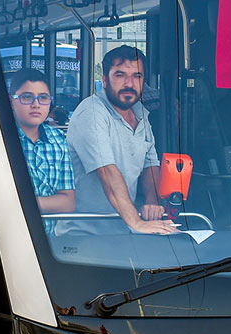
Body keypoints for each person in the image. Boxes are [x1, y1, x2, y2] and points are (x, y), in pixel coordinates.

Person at [65, 46, 177, 235]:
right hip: (85, 233)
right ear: (105, 80)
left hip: (123, 231)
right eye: (120, 75)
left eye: (137, 76)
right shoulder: (92, 112)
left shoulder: (141, 113)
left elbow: (150, 166)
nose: (129, 83)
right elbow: (107, 171)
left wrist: (152, 202)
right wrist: (136, 222)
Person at [0, 69, 75, 233]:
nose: (36, 104)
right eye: (26, 97)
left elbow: (67, 202)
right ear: (12, 101)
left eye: (43, 98)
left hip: (46, 243)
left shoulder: (58, 139)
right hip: (4, 239)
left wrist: (17, 204)